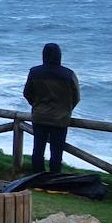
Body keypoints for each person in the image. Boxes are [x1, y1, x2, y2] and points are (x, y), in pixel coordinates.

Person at [23, 43, 80, 174]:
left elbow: (27, 93)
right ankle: (54, 181)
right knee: (56, 151)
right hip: (60, 118)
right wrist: (67, 109)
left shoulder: (34, 72)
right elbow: (76, 97)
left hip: (39, 116)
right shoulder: (69, 74)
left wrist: (36, 105)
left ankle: (38, 178)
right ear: (59, 55)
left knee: (38, 149)